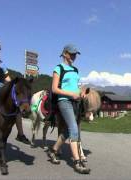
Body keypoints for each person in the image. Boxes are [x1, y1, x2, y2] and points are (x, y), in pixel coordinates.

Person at [47, 44, 90, 174]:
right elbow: (54, 89)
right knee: (73, 128)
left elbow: (76, 86)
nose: (74, 56)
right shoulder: (58, 68)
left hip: (75, 102)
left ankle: (53, 151)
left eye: (75, 54)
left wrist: (81, 92)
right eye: (71, 54)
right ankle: (77, 163)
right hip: (64, 101)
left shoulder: (75, 70)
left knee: (67, 130)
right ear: (65, 53)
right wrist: (71, 94)